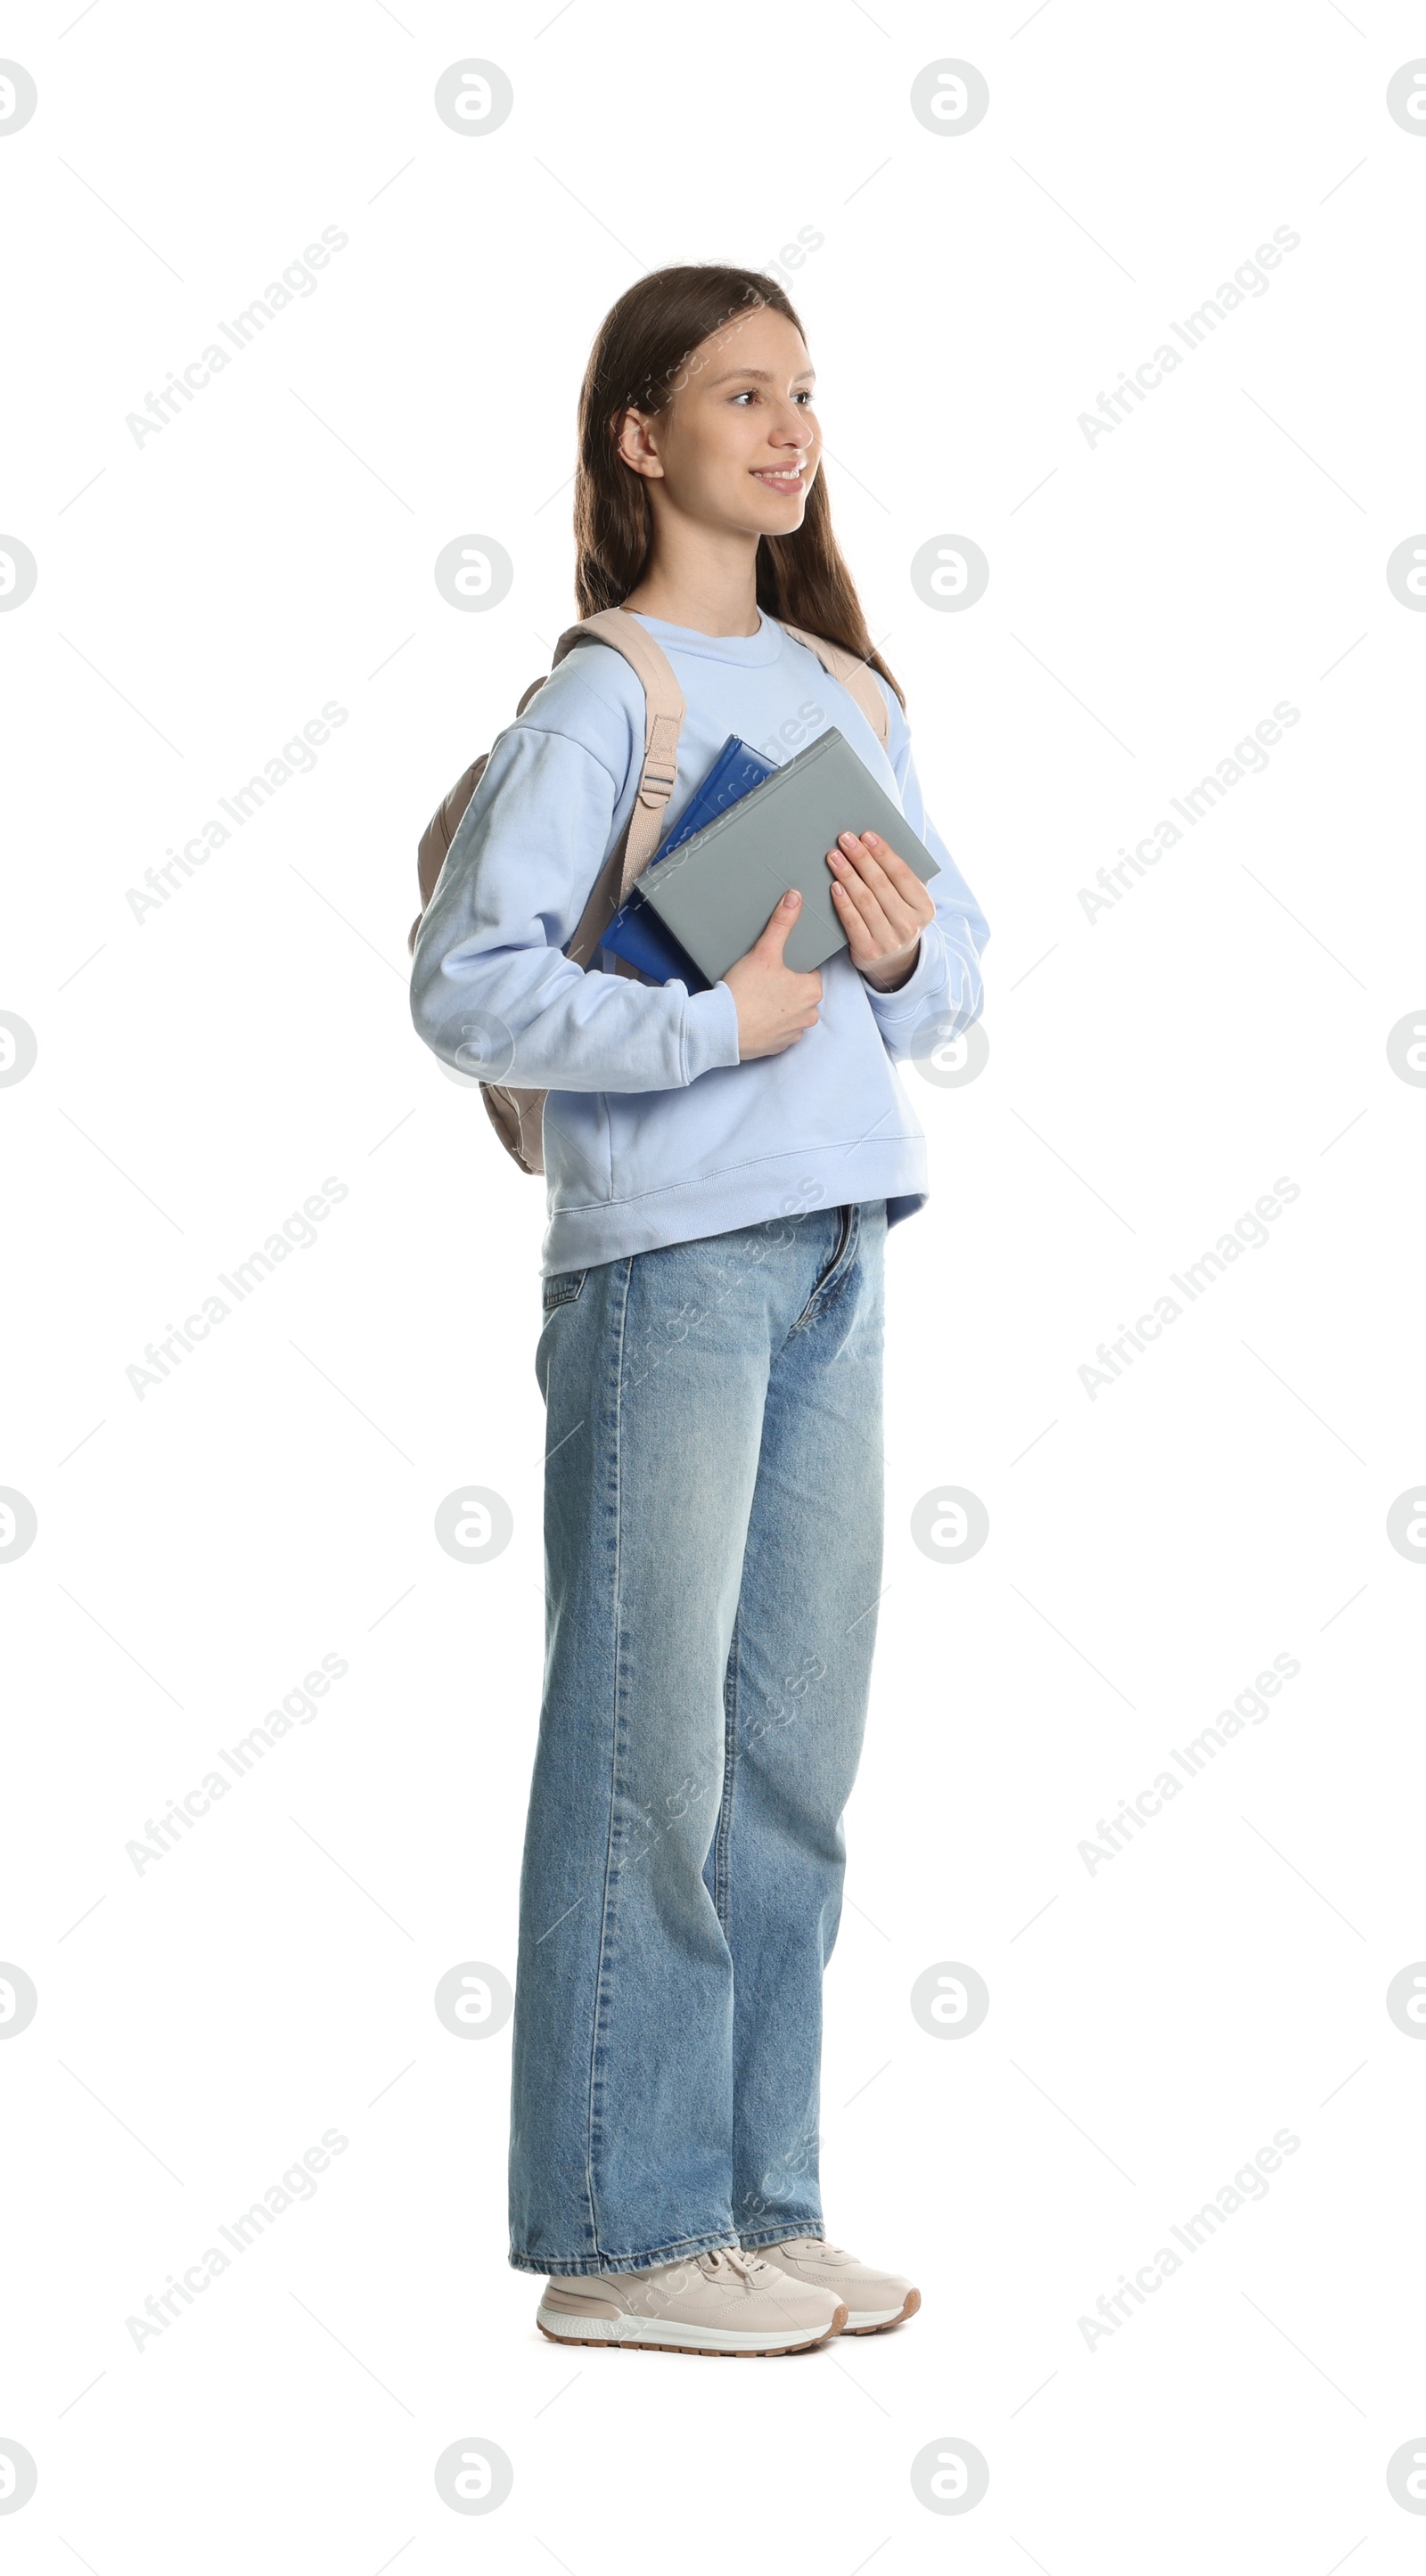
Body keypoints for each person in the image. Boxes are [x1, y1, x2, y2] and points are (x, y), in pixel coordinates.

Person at [410, 265, 990, 2356]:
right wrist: (711, 1016)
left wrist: (900, 951)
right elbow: (466, 986)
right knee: (647, 1755)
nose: (787, 427)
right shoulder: (607, 696)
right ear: (640, 437)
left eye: (806, 393)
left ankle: (754, 2201)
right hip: (665, 1265)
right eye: (740, 393)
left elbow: (957, 981)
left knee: (785, 1766)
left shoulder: (848, 693)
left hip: (839, 1242)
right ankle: (621, 2234)